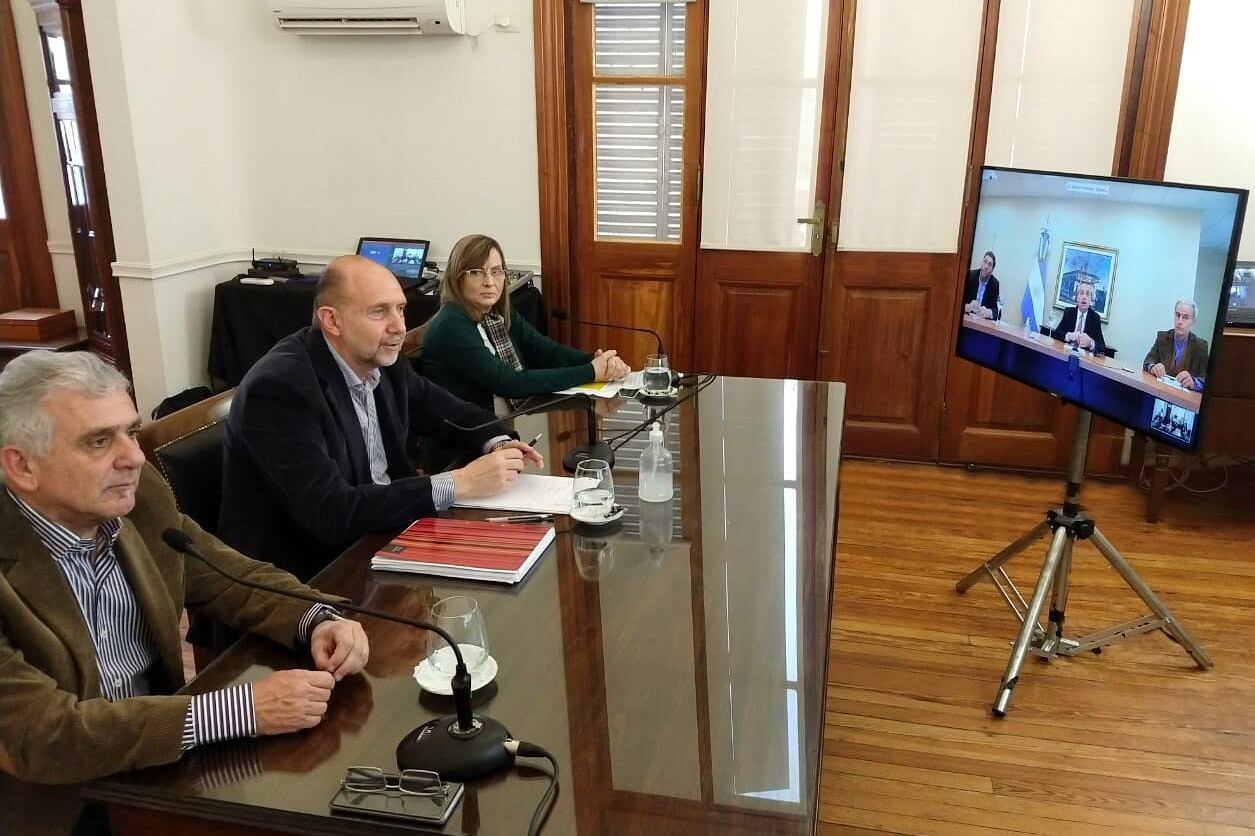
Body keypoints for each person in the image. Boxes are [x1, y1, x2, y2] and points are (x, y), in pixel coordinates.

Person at [0, 351, 370, 789]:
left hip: (158, 765)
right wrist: (240, 710)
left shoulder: (139, 501)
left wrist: (318, 618)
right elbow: (40, 737)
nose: (134, 458)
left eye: (131, 432)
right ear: (22, 466)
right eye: (99, 441)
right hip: (52, 800)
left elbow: (231, 578)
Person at [219, 254, 543, 580]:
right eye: (379, 311)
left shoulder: (383, 362)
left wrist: (498, 443)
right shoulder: (279, 389)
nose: (399, 327)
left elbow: (452, 412)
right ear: (332, 321)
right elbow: (331, 512)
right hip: (311, 573)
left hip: (384, 533)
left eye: (400, 308)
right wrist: (461, 482)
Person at [421, 233, 630, 416]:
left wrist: (596, 360)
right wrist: (590, 371)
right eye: (476, 272)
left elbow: (544, 350)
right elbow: (508, 382)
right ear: (457, 278)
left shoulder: (496, 312)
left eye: (496, 271)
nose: (489, 282)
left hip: (513, 417)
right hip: (470, 438)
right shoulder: (451, 325)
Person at [1143, 299, 1209, 391]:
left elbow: (1206, 380)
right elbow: (1147, 362)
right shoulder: (1162, 337)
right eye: (1177, 315)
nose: (1179, 321)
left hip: (1184, 398)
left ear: (1193, 322)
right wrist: (1153, 367)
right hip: (1160, 390)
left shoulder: (1200, 346)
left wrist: (1194, 382)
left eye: (1185, 317)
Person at [1051, 277, 1106, 355]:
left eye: (1087, 294)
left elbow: (1102, 346)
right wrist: (1068, 336)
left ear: (1091, 300)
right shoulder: (1069, 312)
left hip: (1084, 359)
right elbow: (1056, 334)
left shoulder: (1095, 318)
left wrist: (1090, 342)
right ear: (1077, 297)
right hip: (1065, 354)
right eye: (1081, 293)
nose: (1084, 297)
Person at [962, 250, 1001, 320]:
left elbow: (997, 311)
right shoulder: (970, 276)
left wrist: (990, 312)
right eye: (985, 261)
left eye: (989, 264)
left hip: (981, 323)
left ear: (992, 270)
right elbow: (958, 300)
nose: (986, 266)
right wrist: (967, 306)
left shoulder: (995, 284)